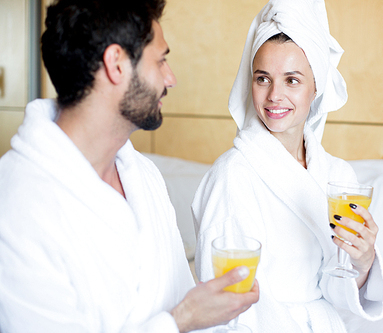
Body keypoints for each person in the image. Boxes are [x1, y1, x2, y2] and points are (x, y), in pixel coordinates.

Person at [0, 0, 258, 332]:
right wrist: (182, 319)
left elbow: (183, 301)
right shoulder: (16, 209)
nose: (171, 78)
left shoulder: (143, 176)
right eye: (161, 60)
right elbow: (185, 315)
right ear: (116, 64)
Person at [192, 0, 383, 332]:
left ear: (316, 88)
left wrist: (363, 260)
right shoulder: (231, 176)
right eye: (263, 79)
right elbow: (224, 300)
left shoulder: (338, 176)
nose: (274, 96)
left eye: (292, 80)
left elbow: (338, 293)